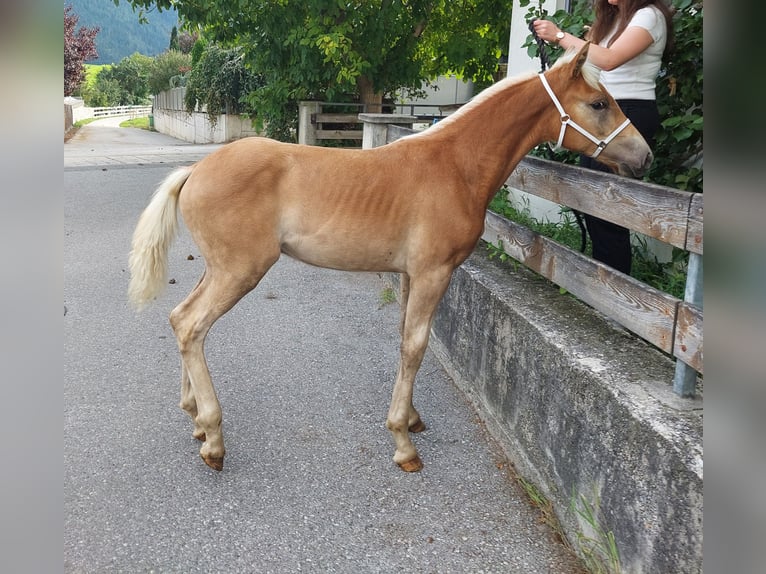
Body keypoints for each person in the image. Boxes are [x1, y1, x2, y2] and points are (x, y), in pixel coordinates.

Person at [532, 0, 674, 274]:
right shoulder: (615, 20)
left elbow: (608, 60)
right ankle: (603, 280)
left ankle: (613, 286)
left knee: (608, 207)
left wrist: (560, 36)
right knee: (595, 205)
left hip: (629, 112)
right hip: (604, 111)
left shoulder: (650, 16)